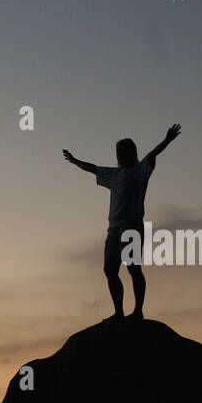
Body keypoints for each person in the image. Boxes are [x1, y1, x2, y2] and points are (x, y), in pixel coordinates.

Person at [63, 124, 181, 320]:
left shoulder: (140, 170)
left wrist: (167, 140)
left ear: (130, 153)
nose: (119, 154)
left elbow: (153, 154)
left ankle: (137, 311)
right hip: (114, 230)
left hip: (132, 227)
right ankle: (118, 312)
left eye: (122, 151)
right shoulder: (114, 175)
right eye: (117, 151)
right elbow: (93, 168)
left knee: (133, 268)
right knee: (110, 269)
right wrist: (75, 161)